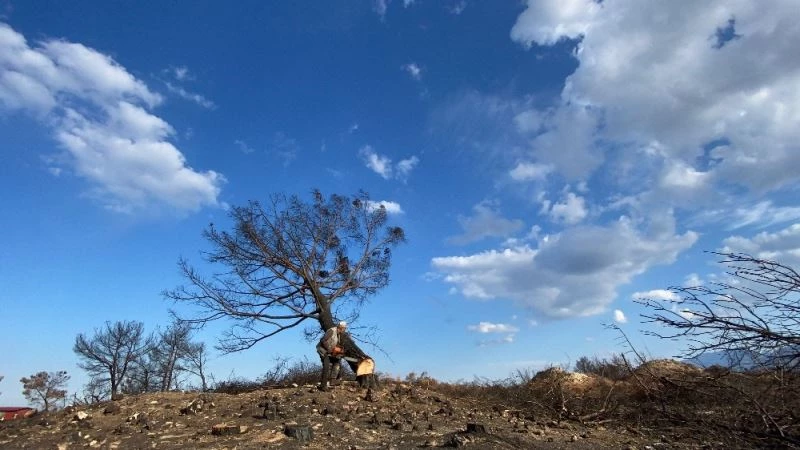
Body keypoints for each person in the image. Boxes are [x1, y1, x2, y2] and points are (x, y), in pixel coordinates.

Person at [316, 321, 347, 391]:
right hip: (322, 349)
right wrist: (330, 349)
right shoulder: (332, 331)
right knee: (326, 366)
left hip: (328, 351)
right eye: (344, 329)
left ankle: (333, 381)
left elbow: (335, 344)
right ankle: (323, 386)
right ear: (341, 328)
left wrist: (339, 351)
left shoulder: (338, 334)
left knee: (337, 361)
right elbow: (323, 340)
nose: (344, 330)